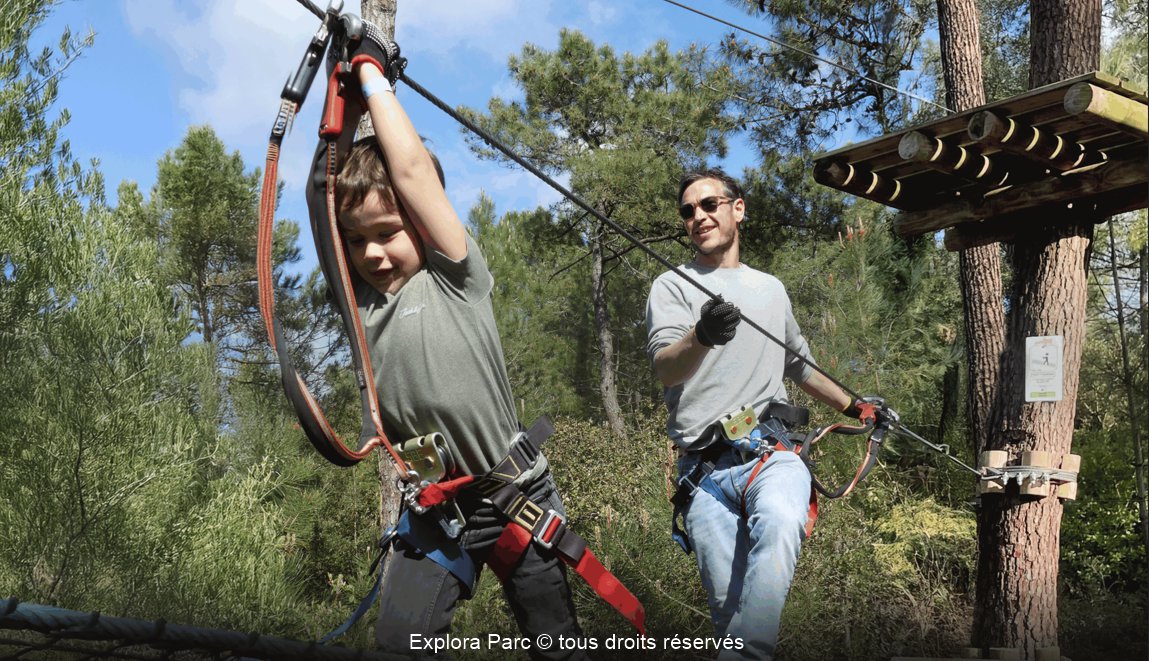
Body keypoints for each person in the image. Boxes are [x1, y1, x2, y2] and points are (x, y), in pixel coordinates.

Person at [333, 48, 590, 660]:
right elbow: (325, 198)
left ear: (424, 222)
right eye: (358, 240)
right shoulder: (361, 301)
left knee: (557, 645)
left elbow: (415, 174)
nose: (372, 254)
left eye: (388, 232)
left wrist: (369, 74)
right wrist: (336, 101)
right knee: (400, 643)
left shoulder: (453, 276)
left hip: (515, 498)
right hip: (438, 511)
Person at [645, 168, 874, 660]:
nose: (698, 217)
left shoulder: (771, 290)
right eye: (688, 211)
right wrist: (702, 335)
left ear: (737, 208)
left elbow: (801, 366)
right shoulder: (672, 285)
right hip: (703, 475)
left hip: (770, 453)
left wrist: (858, 406)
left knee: (782, 518)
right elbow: (667, 368)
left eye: (709, 205)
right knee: (731, 619)